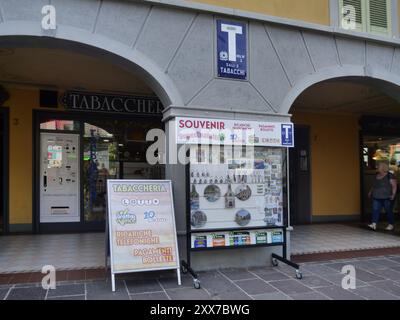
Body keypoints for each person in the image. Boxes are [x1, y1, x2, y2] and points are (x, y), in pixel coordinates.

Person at [368, 162, 397, 231]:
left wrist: (393, 194)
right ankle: (374, 224)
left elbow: (394, 186)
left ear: (382, 167)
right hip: (376, 196)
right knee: (375, 210)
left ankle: (391, 224)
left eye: (378, 166)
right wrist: (370, 191)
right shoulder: (376, 175)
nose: (377, 167)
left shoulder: (390, 175)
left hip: (387, 197)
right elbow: (374, 185)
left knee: (388, 211)